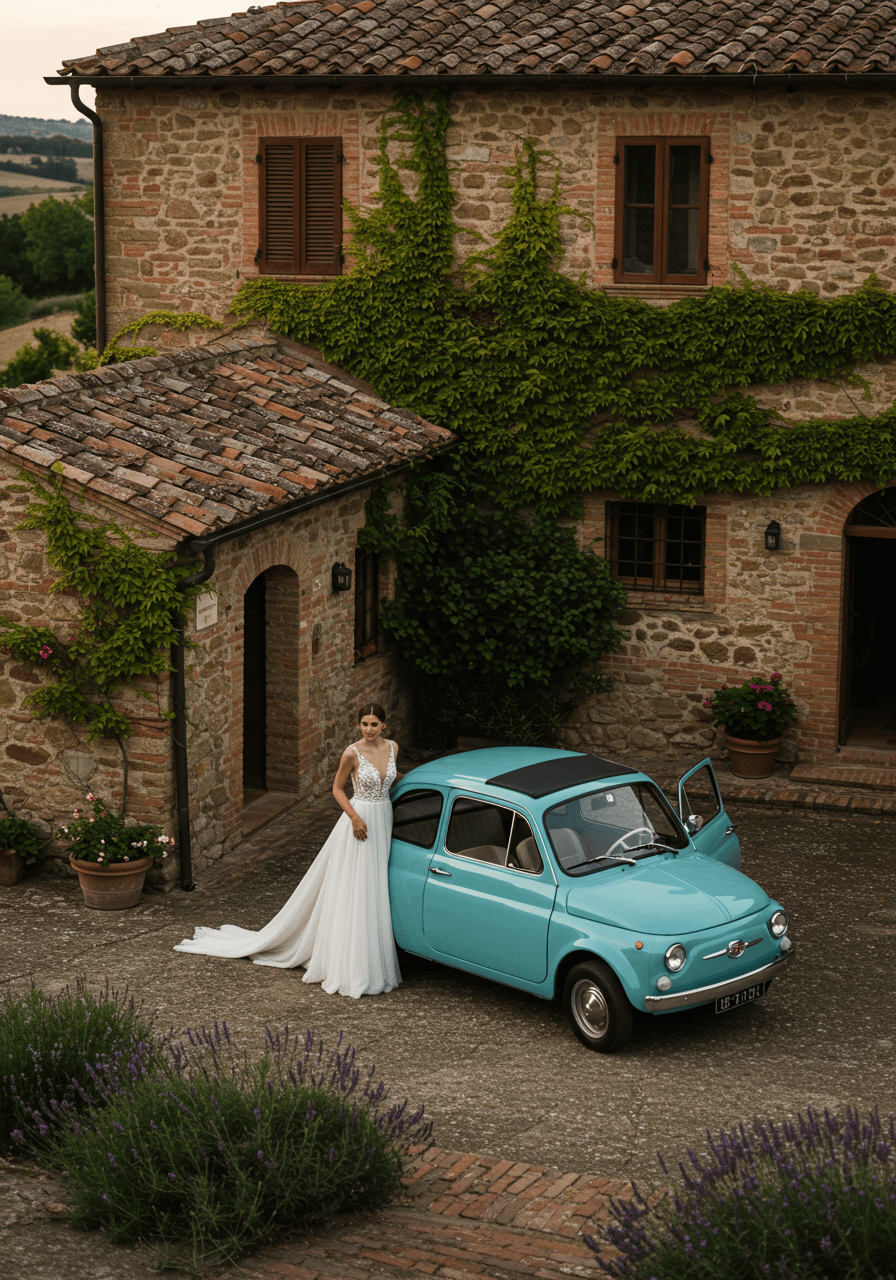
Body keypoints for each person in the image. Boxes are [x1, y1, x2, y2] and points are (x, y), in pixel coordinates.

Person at [173, 704, 402, 999]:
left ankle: (375, 958)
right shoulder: (351, 753)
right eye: (364, 724)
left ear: (384, 726)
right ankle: (352, 963)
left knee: (375, 883)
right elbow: (337, 789)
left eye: (374, 724)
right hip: (360, 820)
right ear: (359, 725)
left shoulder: (393, 748)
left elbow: (391, 777)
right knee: (357, 885)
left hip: (383, 818)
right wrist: (354, 817)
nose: (368, 729)